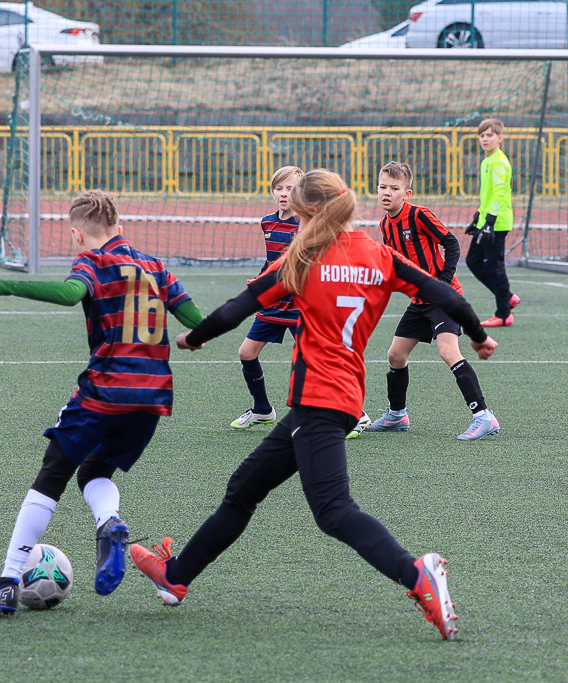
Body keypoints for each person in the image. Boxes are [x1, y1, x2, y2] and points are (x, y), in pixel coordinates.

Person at [129, 170, 497, 641]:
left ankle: (416, 573)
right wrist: (480, 336)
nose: (297, 224)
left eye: (301, 215)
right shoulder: (379, 255)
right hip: (335, 399)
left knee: (333, 510)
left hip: (320, 398)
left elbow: (239, 307)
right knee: (243, 488)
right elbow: (445, 294)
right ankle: (177, 576)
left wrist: (192, 338)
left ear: (316, 214)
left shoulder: (302, 258)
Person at [0, 189, 203, 615]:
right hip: (152, 396)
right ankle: (108, 523)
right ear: (120, 227)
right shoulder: (155, 266)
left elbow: (70, 293)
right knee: (94, 470)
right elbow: (196, 320)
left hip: (105, 389)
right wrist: (195, 337)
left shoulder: (92, 261)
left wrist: (0, 284)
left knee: (52, 474)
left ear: (77, 235)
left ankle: (6, 583)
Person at [363, 161, 499, 441]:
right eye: (382, 187)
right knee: (395, 355)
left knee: (448, 351)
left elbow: (450, 243)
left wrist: (444, 280)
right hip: (420, 300)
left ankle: (484, 417)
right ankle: (397, 415)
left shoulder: (419, 215)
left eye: (394, 188)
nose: (386, 193)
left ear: (407, 193)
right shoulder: (385, 224)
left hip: (444, 297)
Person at [231, 165, 303, 430]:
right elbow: (272, 263)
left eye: (291, 188)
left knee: (315, 362)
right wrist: (260, 281)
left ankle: (355, 413)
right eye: (279, 188)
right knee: (246, 353)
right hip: (274, 304)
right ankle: (262, 410)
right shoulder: (267, 222)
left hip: (299, 306)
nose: (284, 194)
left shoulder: (306, 224)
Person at [465, 118, 519, 327]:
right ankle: (508, 297)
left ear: (500, 138)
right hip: (486, 220)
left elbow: (499, 193)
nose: (485, 139)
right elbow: (488, 195)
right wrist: (479, 216)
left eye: (489, 135)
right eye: (482, 135)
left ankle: (504, 314)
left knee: (495, 266)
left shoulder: (498, 162)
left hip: (497, 223)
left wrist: (490, 220)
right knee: (473, 261)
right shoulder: (487, 161)